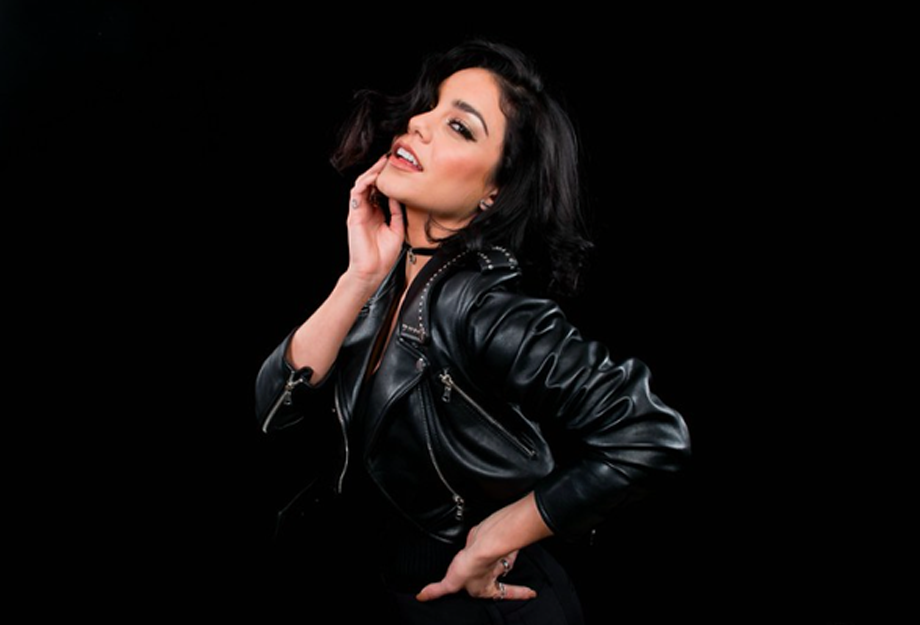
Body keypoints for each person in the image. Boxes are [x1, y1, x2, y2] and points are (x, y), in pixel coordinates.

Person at [254, 39, 691, 624]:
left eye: (459, 127)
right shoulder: (386, 277)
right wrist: (358, 278)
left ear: (495, 192)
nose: (419, 124)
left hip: (483, 608)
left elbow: (650, 433)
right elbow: (274, 411)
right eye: (429, 106)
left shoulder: (485, 305)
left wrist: (499, 534)